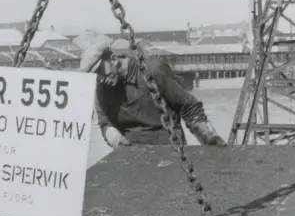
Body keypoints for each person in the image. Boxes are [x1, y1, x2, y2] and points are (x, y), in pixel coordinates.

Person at [80, 36, 227, 148]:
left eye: (100, 70)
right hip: (131, 153)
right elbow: (104, 123)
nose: (100, 79)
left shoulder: (152, 71)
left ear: (113, 59)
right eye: (95, 76)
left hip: (169, 148)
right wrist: (115, 139)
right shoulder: (102, 88)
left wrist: (209, 137)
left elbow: (189, 107)